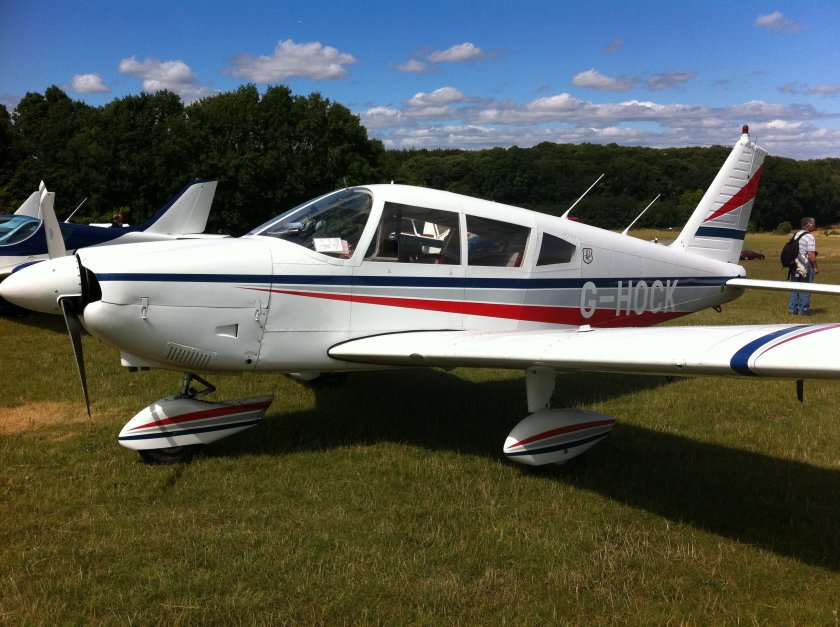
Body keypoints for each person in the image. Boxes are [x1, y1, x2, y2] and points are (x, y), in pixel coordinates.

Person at [788, 217, 819, 316]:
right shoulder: (810, 237)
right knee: (806, 288)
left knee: (794, 287)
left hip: (794, 264)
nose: (815, 226)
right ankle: (803, 311)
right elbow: (810, 254)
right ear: (808, 225)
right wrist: (815, 267)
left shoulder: (796, 234)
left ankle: (792, 310)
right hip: (805, 264)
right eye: (814, 225)